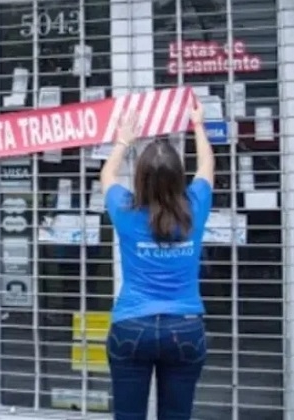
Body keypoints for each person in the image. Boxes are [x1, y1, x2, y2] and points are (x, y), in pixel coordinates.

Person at [99, 102, 214, 420]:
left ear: (140, 179)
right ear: (179, 178)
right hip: (185, 327)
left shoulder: (124, 209)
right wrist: (198, 125)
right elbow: (207, 164)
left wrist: (124, 139)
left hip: (131, 325)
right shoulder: (195, 206)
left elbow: (107, 174)